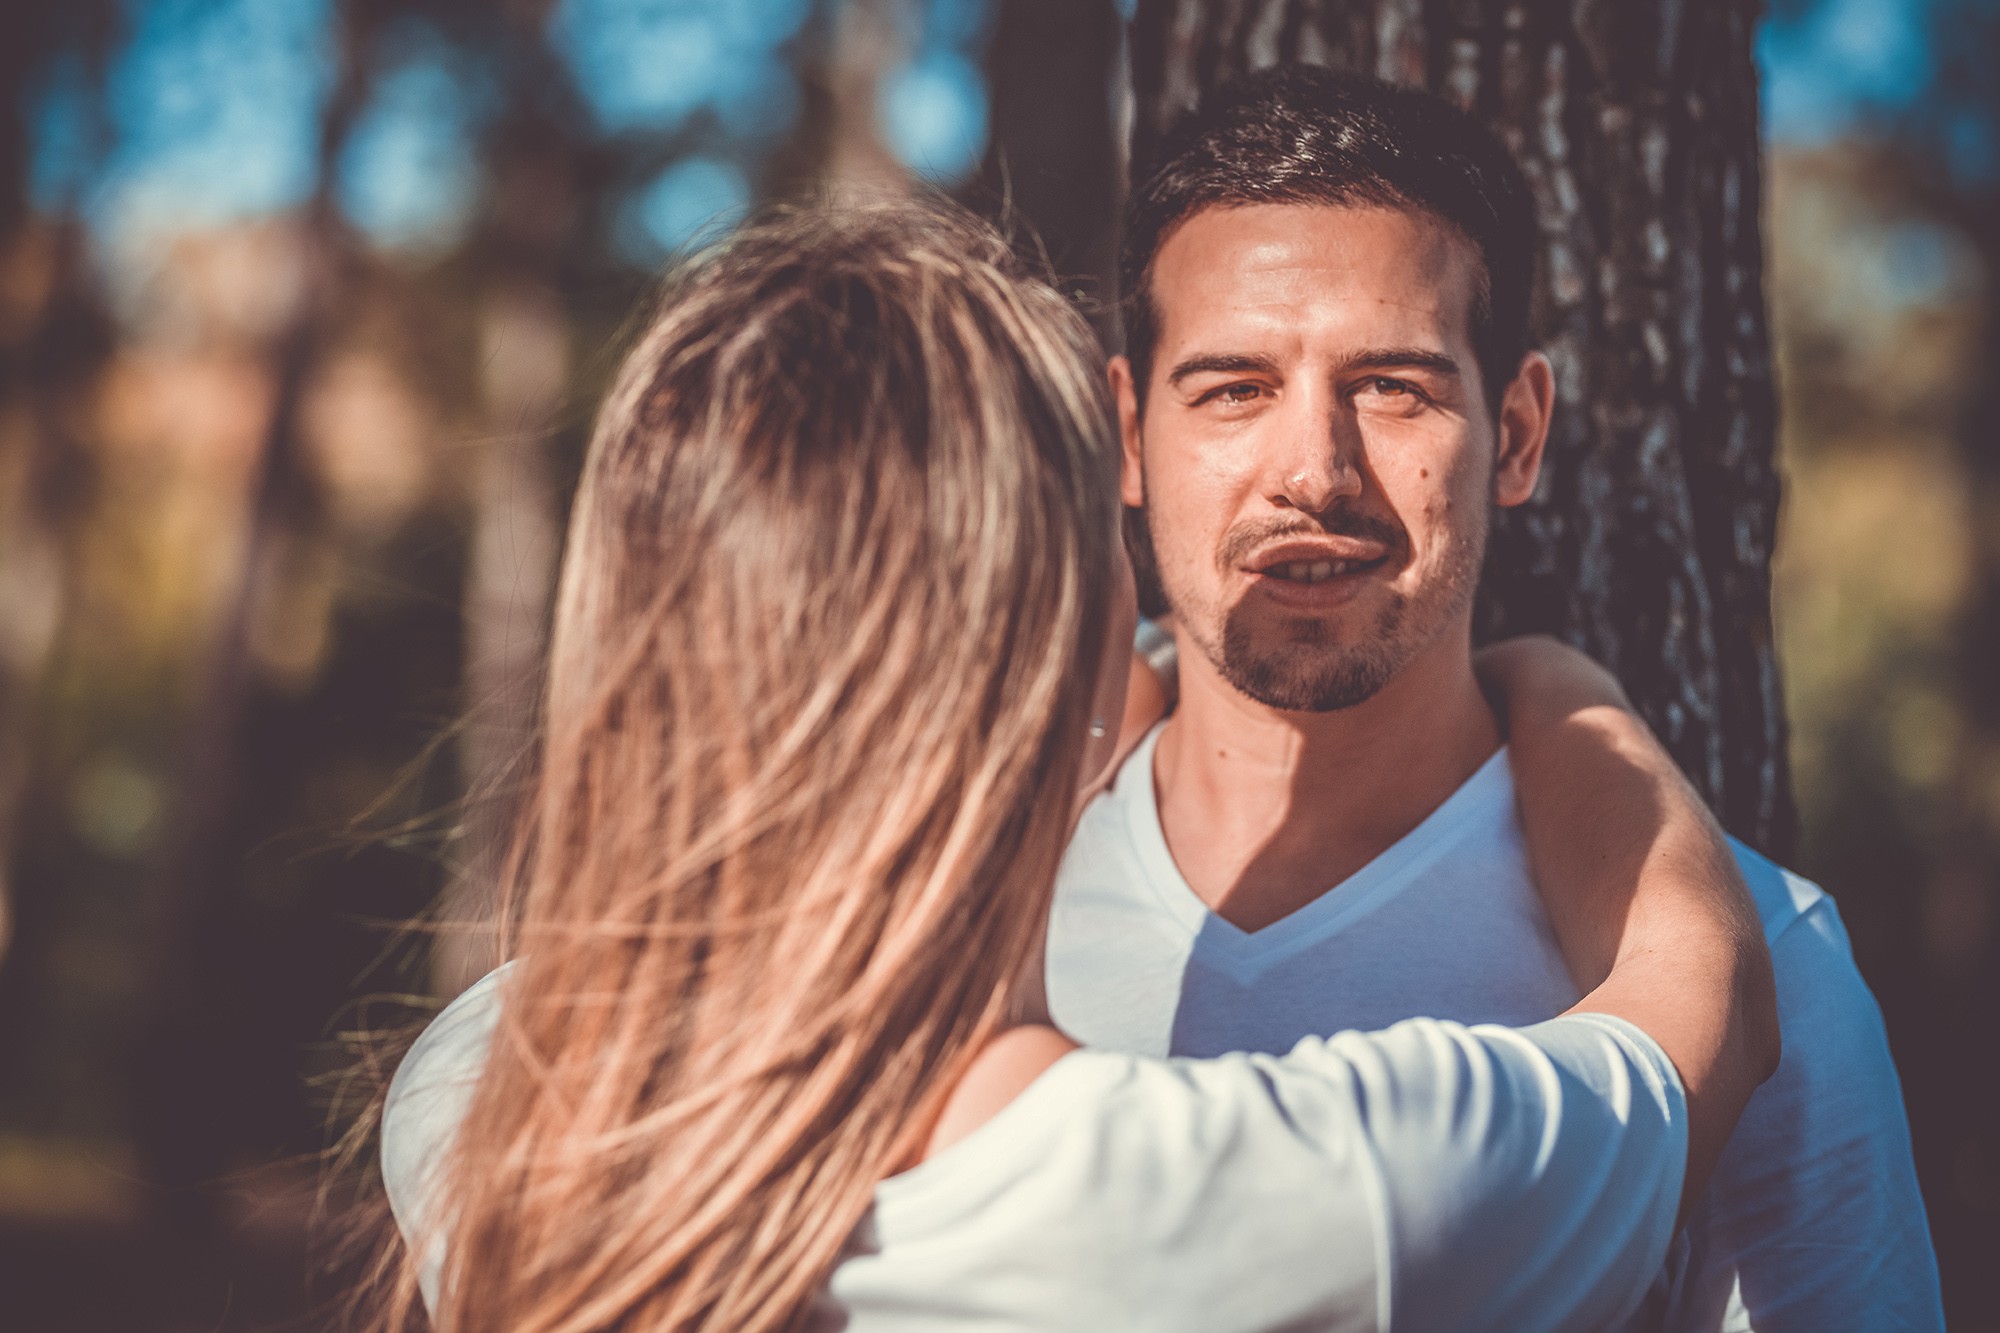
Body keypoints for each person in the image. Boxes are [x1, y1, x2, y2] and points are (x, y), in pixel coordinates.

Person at [376, 200, 1777, 1331]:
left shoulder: (476, 1112)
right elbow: (1699, 1008)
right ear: (1049, 668)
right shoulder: (1301, 1193)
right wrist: (1569, 696)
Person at [1047, 63, 1943, 1331]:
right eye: (1234, 386)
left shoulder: (1766, 968)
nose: (1312, 468)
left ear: (1515, 434)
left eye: (1391, 384)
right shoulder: (947, 909)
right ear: (1131, 437)